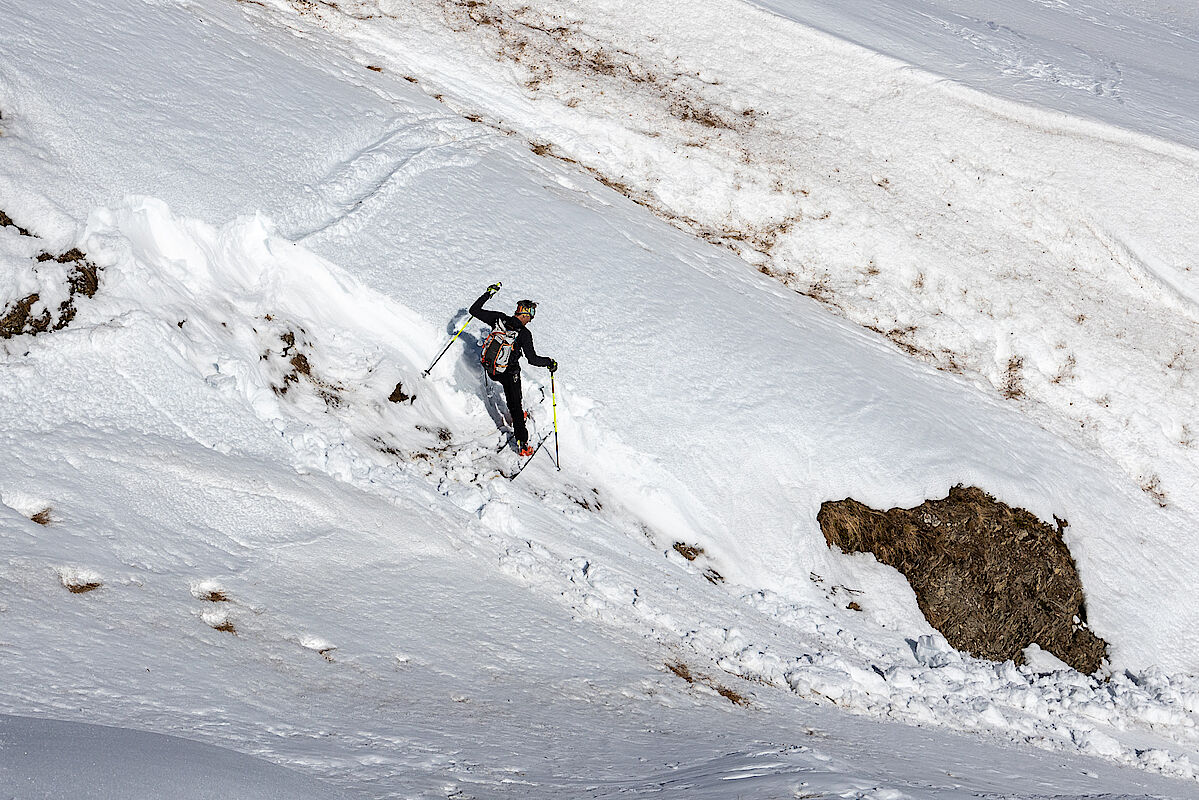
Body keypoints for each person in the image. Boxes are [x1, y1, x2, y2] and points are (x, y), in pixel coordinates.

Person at [470, 283, 557, 456]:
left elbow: (474, 310)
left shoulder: (499, 319)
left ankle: (517, 417)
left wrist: (489, 294)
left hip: (491, 369)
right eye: (531, 315)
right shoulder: (524, 334)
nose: (531, 319)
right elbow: (532, 360)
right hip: (509, 374)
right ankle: (522, 443)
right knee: (515, 405)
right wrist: (549, 362)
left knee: (514, 399)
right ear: (524, 313)